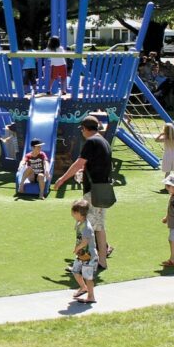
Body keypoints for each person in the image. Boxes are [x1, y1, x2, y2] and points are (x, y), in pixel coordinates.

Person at [54, 116, 112, 271]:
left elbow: (79, 162)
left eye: (82, 129)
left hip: (93, 192)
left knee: (87, 228)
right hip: (103, 189)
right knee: (99, 227)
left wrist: (62, 179)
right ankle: (102, 262)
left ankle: (83, 262)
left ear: (85, 129)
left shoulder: (91, 142)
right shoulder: (103, 141)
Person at [69, 199, 98, 304]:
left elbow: (85, 242)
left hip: (89, 256)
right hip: (81, 255)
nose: (72, 214)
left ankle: (91, 297)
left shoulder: (86, 227)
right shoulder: (80, 222)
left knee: (88, 277)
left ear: (78, 213)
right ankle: (83, 287)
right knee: (75, 271)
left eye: (73, 212)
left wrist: (77, 248)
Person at [155, 123, 174, 190]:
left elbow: (156, 140)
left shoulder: (165, 139)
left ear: (165, 131)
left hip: (167, 157)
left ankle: (166, 187)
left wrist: (161, 134)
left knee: (167, 172)